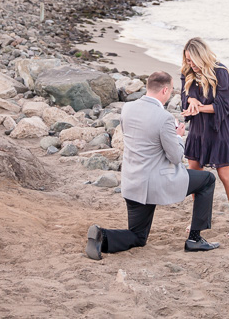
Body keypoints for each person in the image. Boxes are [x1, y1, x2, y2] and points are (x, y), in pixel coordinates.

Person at [85, 71, 220, 260]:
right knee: (207, 180)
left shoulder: (128, 108)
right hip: (153, 184)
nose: (171, 93)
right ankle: (195, 239)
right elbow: (175, 157)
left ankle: (102, 235)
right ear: (165, 90)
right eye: (171, 90)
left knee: (138, 237)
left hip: (132, 182)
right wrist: (178, 137)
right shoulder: (164, 118)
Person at [181, 37, 229, 239]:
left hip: (219, 131)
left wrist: (198, 107)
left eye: (193, 60)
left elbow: (224, 106)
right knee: (195, 174)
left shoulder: (221, 73)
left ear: (202, 56)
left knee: (225, 175)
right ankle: (197, 220)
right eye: (187, 60)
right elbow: (184, 97)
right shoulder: (188, 72)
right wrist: (190, 100)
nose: (191, 65)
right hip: (198, 131)